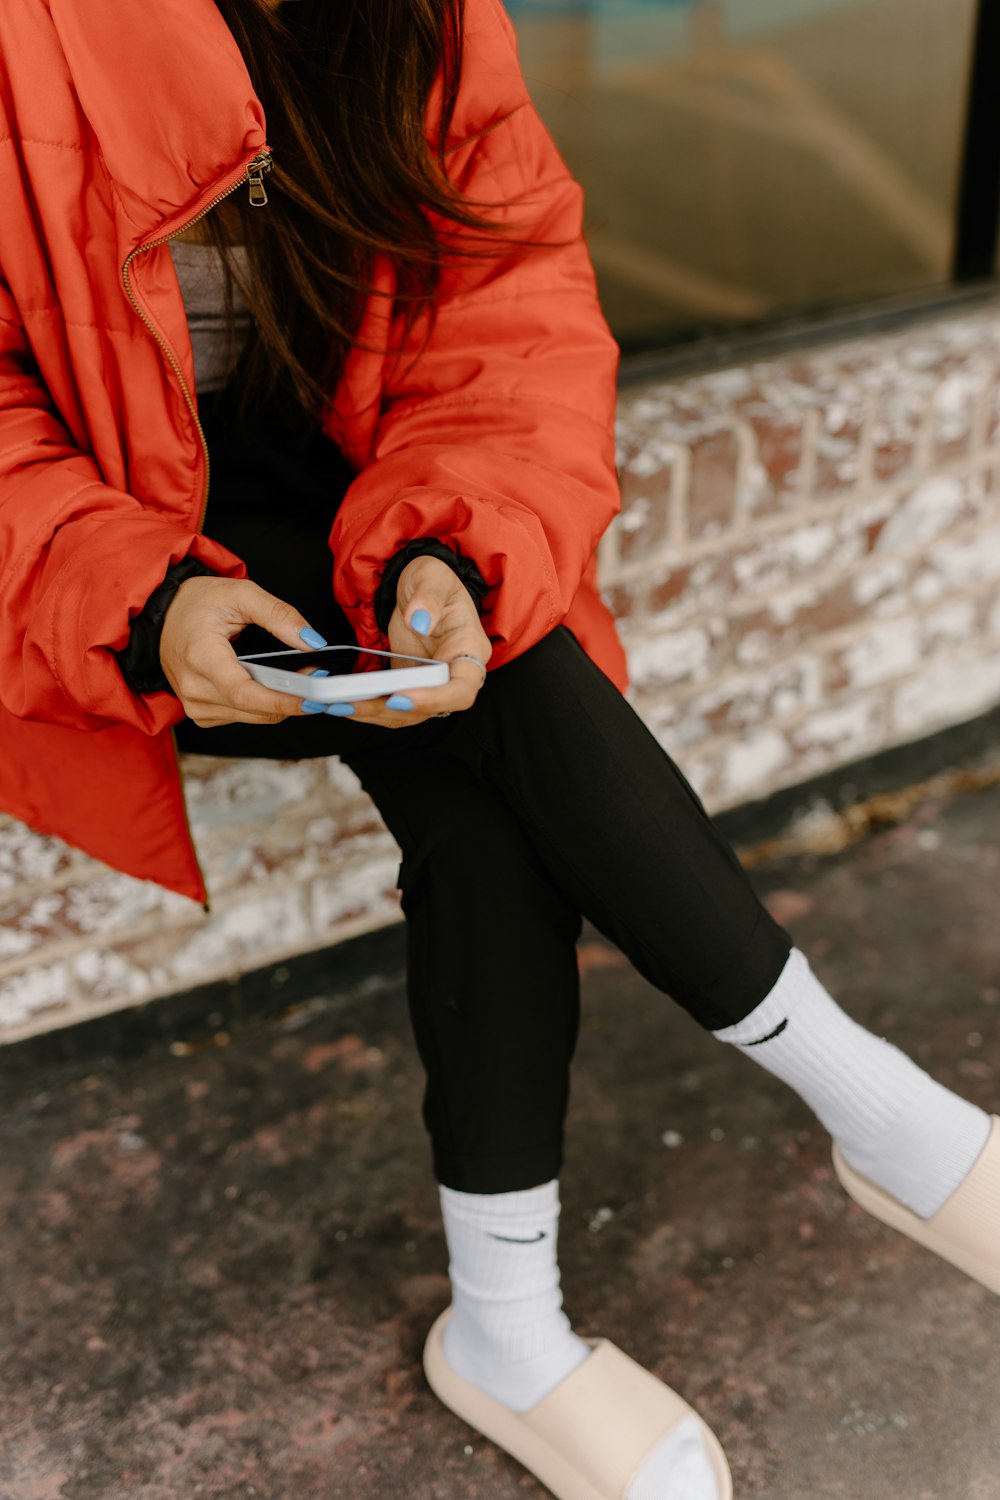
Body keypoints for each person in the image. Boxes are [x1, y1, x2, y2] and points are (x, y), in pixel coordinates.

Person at [0, 1, 996, 1496]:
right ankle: (878, 1116)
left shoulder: (418, 12)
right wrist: (141, 604)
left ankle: (512, 1333)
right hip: (137, 557)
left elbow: (508, 298)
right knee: (512, 728)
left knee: (490, 756)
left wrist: (452, 549)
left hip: (377, 506)